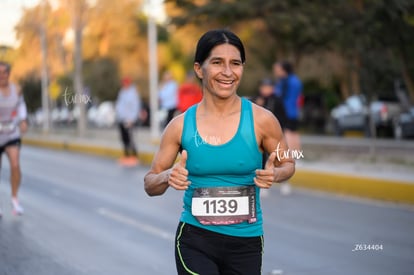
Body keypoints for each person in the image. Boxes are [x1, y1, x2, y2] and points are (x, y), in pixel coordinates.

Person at [144, 29, 295, 275]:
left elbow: (288, 163)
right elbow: (150, 183)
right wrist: (167, 176)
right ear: (198, 69)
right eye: (217, 63)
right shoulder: (180, 126)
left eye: (235, 63)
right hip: (195, 240)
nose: (227, 72)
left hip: (246, 242)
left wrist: (276, 175)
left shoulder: (263, 120)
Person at [0, 61, 28, 216]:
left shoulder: (16, 90)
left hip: (11, 133)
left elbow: (21, 106)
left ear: (9, 74)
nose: (2, 75)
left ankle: (15, 199)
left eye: (5, 72)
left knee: (15, 164)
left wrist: (23, 120)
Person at [273, 61, 303, 195]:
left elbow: (280, 96)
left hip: (286, 113)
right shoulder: (293, 80)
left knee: (288, 136)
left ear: (283, 69)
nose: (275, 71)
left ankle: (290, 158)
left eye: (277, 68)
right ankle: (295, 156)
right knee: (293, 135)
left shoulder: (286, 82)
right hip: (293, 112)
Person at [115, 77, 140, 166]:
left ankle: (134, 155)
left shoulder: (133, 93)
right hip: (122, 118)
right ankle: (126, 155)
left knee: (131, 138)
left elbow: (135, 106)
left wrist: (132, 119)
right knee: (124, 138)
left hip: (130, 119)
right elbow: (119, 105)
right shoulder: (122, 92)